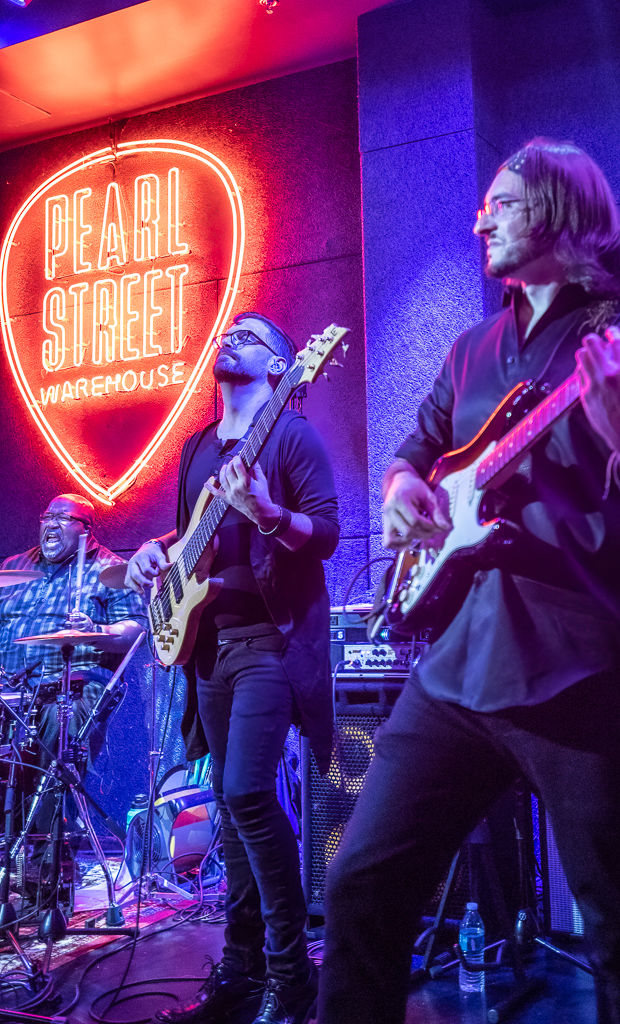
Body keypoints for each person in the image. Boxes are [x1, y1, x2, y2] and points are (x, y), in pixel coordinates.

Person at [318, 139, 620, 1024]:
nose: (479, 217)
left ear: (564, 212)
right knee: (359, 888)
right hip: (456, 669)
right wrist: (402, 490)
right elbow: (414, 454)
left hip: (581, 668)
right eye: (483, 203)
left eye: (503, 201)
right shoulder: (470, 349)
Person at [125, 312, 339, 1024]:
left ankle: (291, 975)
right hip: (207, 648)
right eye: (229, 331)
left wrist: (271, 513)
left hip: (270, 642)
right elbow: (192, 538)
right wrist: (152, 553)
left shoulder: (292, 435)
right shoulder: (193, 449)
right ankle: (243, 973)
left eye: (250, 337)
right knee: (231, 802)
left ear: (284, 369)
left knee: (248, 793)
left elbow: (328, 533)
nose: (232, 338)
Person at [0, 493, 146, 871]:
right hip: (15, 688)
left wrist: (96, 629)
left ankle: (44, 862)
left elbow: (134, 630)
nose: (51, 524)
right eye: (47, 516)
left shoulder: (110, 570)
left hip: (76, 686)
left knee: (57, 731)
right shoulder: (14, 567)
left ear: (86, 529)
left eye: (63, 519)